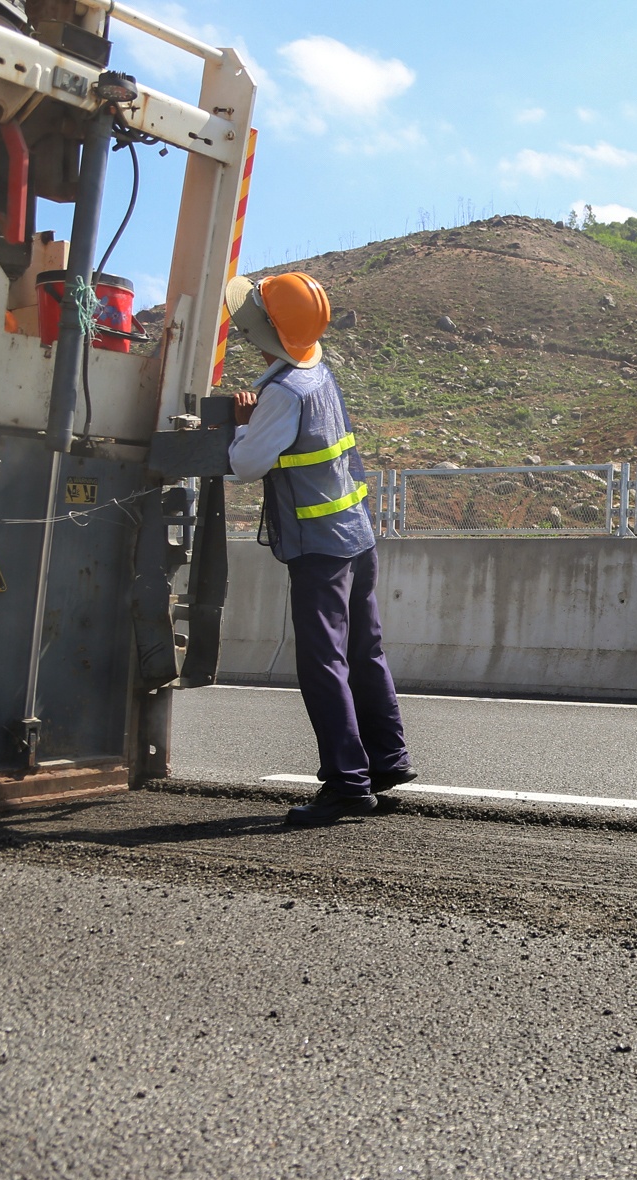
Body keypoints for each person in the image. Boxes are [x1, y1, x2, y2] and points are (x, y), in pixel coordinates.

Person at [224, 271, 416, 827]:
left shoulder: (282, 394)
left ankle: (348, 785)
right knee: (364, 650)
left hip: (320, 550)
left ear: (266, 330)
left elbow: (246, 464)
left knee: (323, 662)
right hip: (356, 537)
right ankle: (386, 760)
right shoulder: (317, 375)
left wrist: (243, 423)